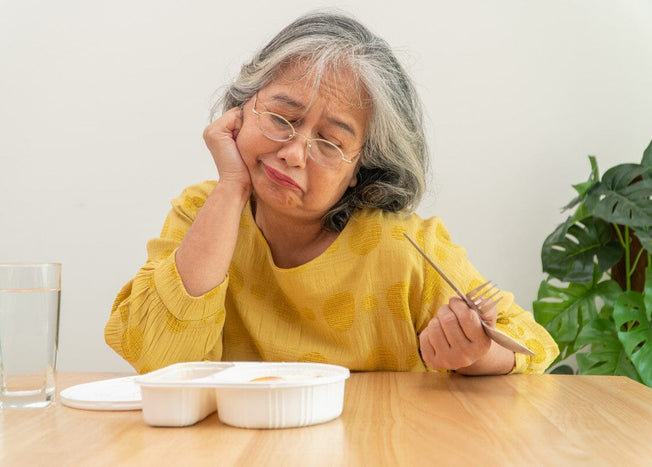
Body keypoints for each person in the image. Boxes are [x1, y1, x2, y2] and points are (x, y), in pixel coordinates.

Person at [105, 11, 558, 375]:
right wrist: (231, 187)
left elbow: (531, 346)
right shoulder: (202, 211)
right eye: (282, 118)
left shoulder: (405, 246)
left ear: (361, 168)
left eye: (330, 143)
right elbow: (158, 360)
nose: (294, 153)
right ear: (242, 109)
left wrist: (474, 355)